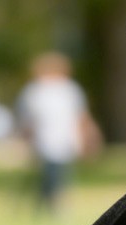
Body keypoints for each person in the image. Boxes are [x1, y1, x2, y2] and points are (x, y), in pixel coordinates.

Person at [16, 53, 100, 212]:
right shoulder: (35, 91)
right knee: (50, 173)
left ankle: (51, 203)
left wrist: (86, 137)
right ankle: (49, 204)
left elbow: (80, 117)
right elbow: (28, 120)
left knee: (58, 174)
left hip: (65, 139)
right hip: (44, 140)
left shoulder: (69, 90)